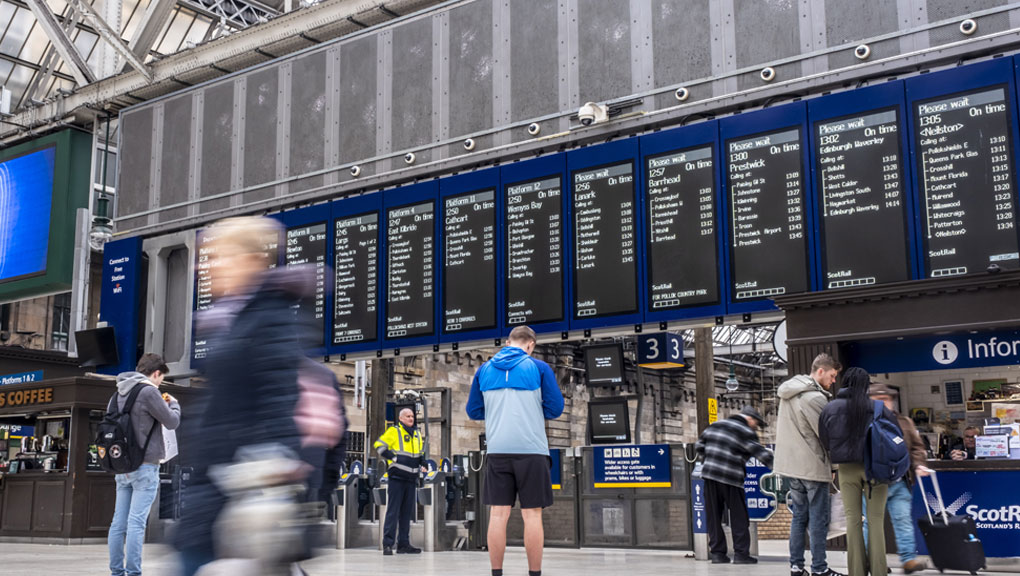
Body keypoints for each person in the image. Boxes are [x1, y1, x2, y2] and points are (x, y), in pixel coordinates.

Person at [174, 216, 314, 576]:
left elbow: (279, 393)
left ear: (252, 260)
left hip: (238, 485)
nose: (209, 265)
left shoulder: (269, 317)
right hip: (214, 480)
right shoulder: (233, 318)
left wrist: (276, 467)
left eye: (221, 256)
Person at [466, 325, 564, 576]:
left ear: (508, 342)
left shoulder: (484, 369)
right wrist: (529, 409)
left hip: (497, 450)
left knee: (497, 515)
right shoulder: (539, 368)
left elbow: (473, 411)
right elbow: (555, 408)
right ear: (531, 345)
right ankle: (534, 574)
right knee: (532, 515)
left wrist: (499, 410)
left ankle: (496, 573)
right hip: (532, 451)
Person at [819, 367, 901, 576]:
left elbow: (825, 441)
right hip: (876, 468)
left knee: (852, 521)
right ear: (865, 386)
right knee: (875, 521)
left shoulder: (830, 408)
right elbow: (896, 437)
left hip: (847, 470)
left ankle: (856, 571)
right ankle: (879, 570)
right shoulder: (878, 408)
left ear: (844, 383)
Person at [108, 353, 181, 576]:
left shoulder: (117, 393)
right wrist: (174, 405)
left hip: (122, 466)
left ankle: (117, 572)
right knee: (137, 524)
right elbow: (172, 421)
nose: (160, 383)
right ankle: (133, 573)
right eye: (161, 379)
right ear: (156, 373)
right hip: (146, 465)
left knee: (118, 524)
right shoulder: (149, 391)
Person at [775, 353, 844, 576]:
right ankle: (819, 568)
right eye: (832, 376)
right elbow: (826, 436)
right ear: (820, 371)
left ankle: (796, 567)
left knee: (798, 517)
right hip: (813, 467)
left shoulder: (788, 393)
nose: (833, 381)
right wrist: (834, 467)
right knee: (818, 520)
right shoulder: (815, 398)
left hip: (792, 467)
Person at [695, 405, 774, 565]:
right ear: (750, 419)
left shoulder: (715, 425)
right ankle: (741, 554)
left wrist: (710, 460)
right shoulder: (745, 431)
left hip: (710, 475)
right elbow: (760, 453)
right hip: (731, 477)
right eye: (756, 424)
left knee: (713, 516)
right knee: (739, 516)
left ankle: (717, 554)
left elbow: (699, 446)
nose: (756, 427)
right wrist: (779, 467)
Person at [863, 383, 928, 574]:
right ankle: (869, 561)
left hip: (900, 482)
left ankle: (908, 560)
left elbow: (917, 447)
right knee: (870, 524)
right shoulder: (862, 422)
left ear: (892, 401)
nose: (883, 402)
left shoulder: (905, 422)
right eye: (877, 399)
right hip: (874, 483)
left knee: (903, 521)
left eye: (886, 399)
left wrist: (919, 464)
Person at [373, 407, 425, 555]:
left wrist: (424, 462)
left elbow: (419, 453)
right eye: (408, 416)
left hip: (411, 479)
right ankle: (388, 544)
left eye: (412, 416)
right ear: (401, 419)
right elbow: (379, 445)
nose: (411, 418)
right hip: (397, 478)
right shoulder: (394, 431)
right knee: (393, 511)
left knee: (406, 513)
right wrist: (393, 457)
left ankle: (403, 544)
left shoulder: (416, 433)